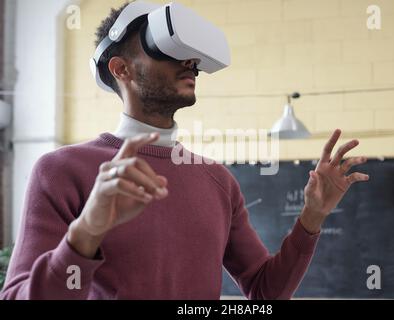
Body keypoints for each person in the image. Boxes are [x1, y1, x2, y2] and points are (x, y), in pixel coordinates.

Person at [0, 2, 369, 300]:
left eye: (193, 57)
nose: (190, 63)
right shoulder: (62, 170)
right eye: (168, 51)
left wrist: (312, 218)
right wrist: (86, 233)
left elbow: (264, 291)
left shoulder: (218, 181)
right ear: (121, 68)